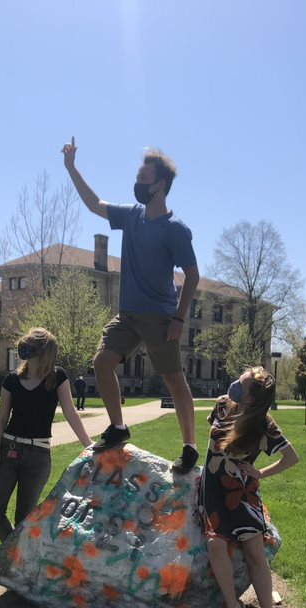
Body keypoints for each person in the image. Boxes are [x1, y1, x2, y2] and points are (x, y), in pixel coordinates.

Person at [62, 136, 200, 473]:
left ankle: (190, 447)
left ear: (161, 184)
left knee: (174, 380)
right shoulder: (132, 216)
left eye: (143, 179)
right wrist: (71, 167)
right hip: (128, 315)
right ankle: (119, 427)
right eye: (137, 178)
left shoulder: (175, 230)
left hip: (160, 318)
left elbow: (193, 276)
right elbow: (95, 204)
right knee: (102, 361)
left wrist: (179, 319)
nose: (137, 184)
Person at [199, 366, 299, 608]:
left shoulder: (264, 426)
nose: (233, 386)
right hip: (213, 492)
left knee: (254, 549)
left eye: (241, 385)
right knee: (216, 545)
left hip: (241, 493)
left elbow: (292, 457)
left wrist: (260, 473)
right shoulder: (221, 406)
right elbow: (213, 447)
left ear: (252, 399)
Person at [0, 327, 92, 543]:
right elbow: (1, 419)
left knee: (25, 518)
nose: (25, 345)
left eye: (31, 343)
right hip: (8, 451)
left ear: (44, 351)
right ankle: (17, 554)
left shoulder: (58, 377)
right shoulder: (11, 380)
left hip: (38, 456)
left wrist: (88, 444)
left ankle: (19, 560)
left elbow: (70, 412)